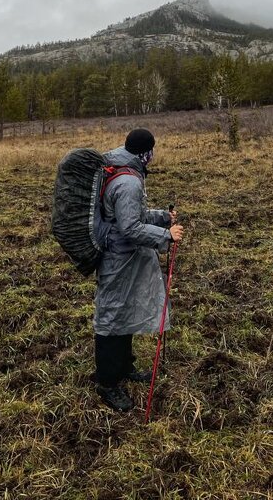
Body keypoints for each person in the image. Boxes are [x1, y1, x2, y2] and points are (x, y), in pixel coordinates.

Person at [94, 128, 184, 411]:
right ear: (146, 153)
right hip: (117, 261)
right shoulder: (129, 182)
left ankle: (124, 368)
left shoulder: (123, 170)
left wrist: (159, 217)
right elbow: (130, 228)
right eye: (152, 151)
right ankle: (108, 383)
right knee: (111, 317)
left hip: (124, 258)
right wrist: (166, 236)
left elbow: (130, 215)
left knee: (125, 311)